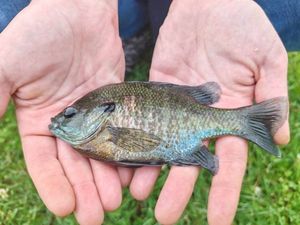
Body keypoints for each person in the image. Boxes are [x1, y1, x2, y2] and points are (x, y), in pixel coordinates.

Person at [0, 0, 297, 225]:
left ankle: (140, 30)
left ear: (99, 111)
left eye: (69, 115)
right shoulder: (95, 130)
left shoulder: (99, 129)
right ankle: (135, 30)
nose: (61, 121)